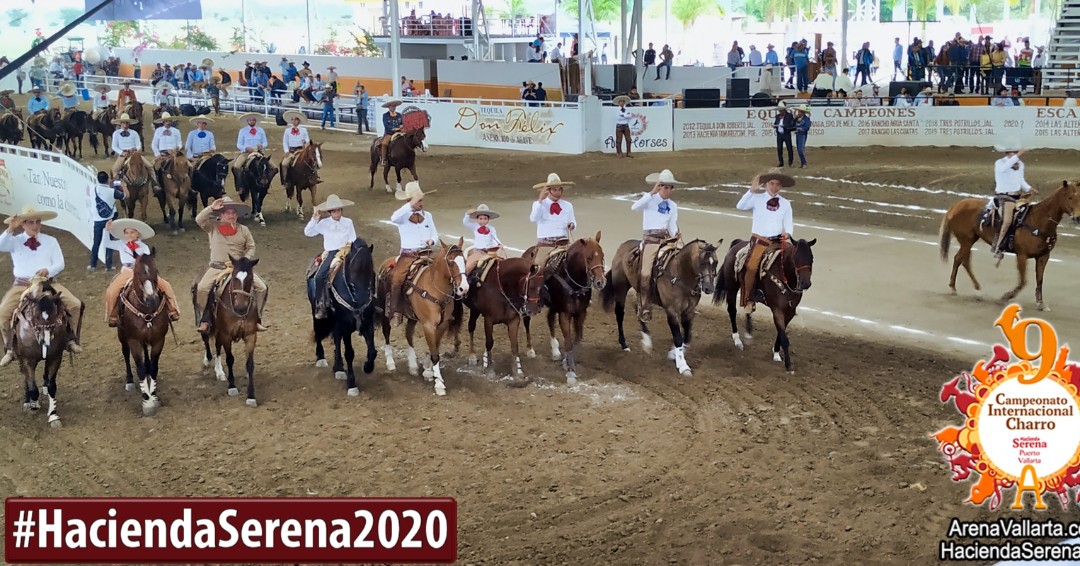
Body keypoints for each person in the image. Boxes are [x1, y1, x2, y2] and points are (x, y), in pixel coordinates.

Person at [0, 205, 85, 367]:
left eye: (37, 221)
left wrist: (49, 270)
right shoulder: (14, 241)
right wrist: (10, 229)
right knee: (3, 311)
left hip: (48, 283)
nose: (35, 225)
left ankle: (70, 339)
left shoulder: (51, 241)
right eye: (30, 222)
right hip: (23, 285)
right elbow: (1, 245)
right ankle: (10, 347)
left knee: (75, 304)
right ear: (23, 224)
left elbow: (60, 263)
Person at [193, 197, 268, 333]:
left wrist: (245, 260)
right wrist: (211, 208)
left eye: (233, 213)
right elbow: (199, 220)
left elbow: (251, 246)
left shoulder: (244, 229)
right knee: (202, 288)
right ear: (221, 214)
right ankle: (205, 318)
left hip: (238, 268)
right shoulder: (212, 226)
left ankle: (256, 319)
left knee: (262, 287)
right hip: (217, 267)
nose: (231, 215)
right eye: (228, 213)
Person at [735, 168, 795, 313]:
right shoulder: (756, 198)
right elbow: (740, 206)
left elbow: (789, 223)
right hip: (760, 241)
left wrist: (787, 233)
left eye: (777, 184)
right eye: (772, 183)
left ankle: (792, 295)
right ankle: (749, 298)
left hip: (778, 242)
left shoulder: (785, 203)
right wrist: (751, 191)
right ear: (766, 184)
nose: (774, 187)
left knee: (794, 261)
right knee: (751, 267)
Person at [102, 218, 181, 327]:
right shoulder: (121, 244)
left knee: (165, 285)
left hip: (142, 271)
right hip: (127, 271)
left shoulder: (144, 247)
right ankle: (113, 315)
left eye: (132, 232)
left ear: (138, 234)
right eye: (127, 233)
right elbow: (106, 243)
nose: (129, 235)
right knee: (112, 291)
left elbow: (146, 261)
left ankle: (172, 309)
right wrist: (106, 231)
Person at [631, 169, 684, 322]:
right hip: (651, 240)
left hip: (667, 239)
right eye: (665, 187)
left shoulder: (673, 206)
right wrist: (651, 193)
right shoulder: (649, 199)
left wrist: (676, 236)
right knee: (646, 273)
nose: (668, 190)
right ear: (659, 186)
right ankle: (644, 304)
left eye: (670, 187)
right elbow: (634, 207)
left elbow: (672, 224)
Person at [387, 181, 439, 327]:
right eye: (418, 201)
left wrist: (432, 240)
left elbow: (435, 234)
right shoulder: (402, 216)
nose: (421, 203)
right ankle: (396, 311)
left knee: (447, 271)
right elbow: (393, 217)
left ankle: (450, 307)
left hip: (427, 253)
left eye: (421, 200)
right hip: (408, 256)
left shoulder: (428, 216)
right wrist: (410, 205)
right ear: (409, 201)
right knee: (396, 279)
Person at [304, 194, 358, 319]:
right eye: (334, 211)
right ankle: (320, 303)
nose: (337, 213)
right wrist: (314, 220)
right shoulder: (323, 223)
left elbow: (353, 237)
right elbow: (308, 232)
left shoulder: (348, 222)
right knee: (319, 276)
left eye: (338, 210)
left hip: (347, 251)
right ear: (329, 212)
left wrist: (348, 247)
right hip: (332, 252)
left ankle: (367, 298)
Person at [991, 145, 1034, 261]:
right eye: (1013, 152)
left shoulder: (1020, 164)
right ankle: (999, 247)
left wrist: (1028, 188)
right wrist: (1018, 156)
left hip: (1017, 196)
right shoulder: (1000, 163)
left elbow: (1020, 180)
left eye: (1016, 152)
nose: (1014, 154)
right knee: (1007, 221)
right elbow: (1003, 169)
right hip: (1004, 196)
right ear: (1008, 152)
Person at [529, 173, 577, 269]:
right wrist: (540, 200)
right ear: (548, 191)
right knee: (539, 268)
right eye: (554, 190)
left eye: (559, 190)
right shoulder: (538, 204)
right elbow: (533, 218)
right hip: (546, 244)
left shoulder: (568, 205)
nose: (557, 193)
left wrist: (572, 225)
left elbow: (573, 221)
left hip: (563, 243)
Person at [89, 172, 125, 272]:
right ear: (107, 179)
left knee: (96, 243)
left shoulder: (93, 188)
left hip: (97, 220)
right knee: (109, 242)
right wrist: (123, 186)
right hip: (109, 221)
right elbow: (125, 196)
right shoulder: (112, 191)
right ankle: (108, 265)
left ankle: (93, 264)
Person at [462, 204, 504, 283]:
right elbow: (465, 223)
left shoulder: (491, 228)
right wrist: (467, 214)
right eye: (480, 219)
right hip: (478, 252)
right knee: (468, 266)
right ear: (477, 219)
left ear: (488, 219)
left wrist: (499, 244)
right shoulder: (474, 226)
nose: (483, 221)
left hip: (490, 252)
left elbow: (495, 237)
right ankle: (464, 281)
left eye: (485, 219)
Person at [110, 112, 150, 181]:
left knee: (150, 166)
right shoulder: (116, 133)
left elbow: (138, 145)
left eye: (127, 123)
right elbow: (114, 146)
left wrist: (136, 150)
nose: (125, 125)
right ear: (120, 123)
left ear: (129, 124)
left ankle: (154, 182)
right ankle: (117, 184)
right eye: (123, 123)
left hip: (134, 153)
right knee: (115, 169)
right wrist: (122, 152)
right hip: (123, 155)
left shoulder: (134, 133)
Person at [232, 112, 269, 182]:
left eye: (253, 120)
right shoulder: (242, 131)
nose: (252, 121)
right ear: (247, 121)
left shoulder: (261, 130)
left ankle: (266, 182)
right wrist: (245, 148)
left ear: (255, 121)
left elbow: (265, 142)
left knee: (272, 167)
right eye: (250, 120)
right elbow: (239, 144)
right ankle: (240, 184)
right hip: (246, 153)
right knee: (237, 166)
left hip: (259, 152)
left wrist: (262, 146)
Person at [280, 109, 311, 185]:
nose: (294, 121)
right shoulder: (287, 130)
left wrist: (306, 143)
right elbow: (285, 142)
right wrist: (286, 151)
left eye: (296, 119)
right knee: (284, 164)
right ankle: (285, 180)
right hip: (291, 151)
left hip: (301, 150)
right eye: (292, 119)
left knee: (312, 161)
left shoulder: (304, 130)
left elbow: (307, 140)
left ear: (299, 121)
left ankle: (312, 177)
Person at [150, 111, 183, 178]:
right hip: (163, 154)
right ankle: (156, 181)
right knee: (154, 168)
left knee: (187, 166)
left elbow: (180, 143)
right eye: (166, 121)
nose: (168, 123)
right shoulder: (158, 131)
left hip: (174, 154)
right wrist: (157, 154)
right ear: (163, 122)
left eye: (169, 121)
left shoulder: (176, 131)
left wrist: (178, 147)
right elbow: (154, 144)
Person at [379, 99, 404, 167]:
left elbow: (402, 123)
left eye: (394, 106)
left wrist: (401, 126)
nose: (394, 107)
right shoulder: (385, 115)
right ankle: (383, 159)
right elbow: (386, 125)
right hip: (389, 133)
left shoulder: (399, 115)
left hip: (399, 133)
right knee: (384, 144)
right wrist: (394, 129)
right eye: (392, 106)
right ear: (389, 107)